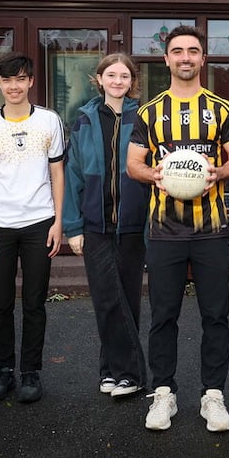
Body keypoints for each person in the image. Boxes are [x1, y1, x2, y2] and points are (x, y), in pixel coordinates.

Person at [126, 25, 229, 432]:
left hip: (212, 229)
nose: (185, 57)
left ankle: (213, 395)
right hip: (164, 231)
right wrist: (153, 175)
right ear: (166, 59)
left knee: (216, 314)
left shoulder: (222, 108)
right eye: (177, 51)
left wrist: (219, 172)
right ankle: (164, 393)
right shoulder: (149, 111)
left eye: (193, 50)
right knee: (164, 315)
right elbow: (133, 164)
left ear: (202, 58)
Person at [0, 52, 65, 404]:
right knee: (1, 304)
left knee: (35, 303)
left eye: (20, 79)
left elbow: (57, 172)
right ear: (0, 83)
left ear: (31, 82)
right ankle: (4, 371)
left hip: (40, 223)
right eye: (7, 80)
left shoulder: (49, 121)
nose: (14, 86)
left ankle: (30, 373)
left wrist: (58, 221)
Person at [63, 53, 149, 398]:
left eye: (123, 76)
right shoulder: (84, 119)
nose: (117, 81)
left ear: (132, 82)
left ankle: (111, 371)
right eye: (110, 75)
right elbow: (73, 175)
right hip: (95, 224)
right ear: (98, 79)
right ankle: (131, 373)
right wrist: (73, 227)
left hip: (133, 223)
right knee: (106, 298)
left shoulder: (143, 116)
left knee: (127, 298)